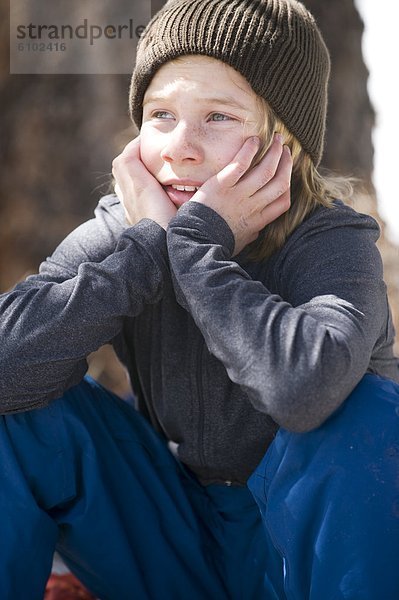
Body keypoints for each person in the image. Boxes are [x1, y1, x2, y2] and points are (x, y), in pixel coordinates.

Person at [1, 0, 399, 598]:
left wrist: (196, 251)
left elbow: (304, 389)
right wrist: (147, 251)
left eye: (218, 116)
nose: (180, 147)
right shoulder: (131, 232)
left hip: (297, 555)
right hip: (174, 537)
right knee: (24, 410)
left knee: (365, 408)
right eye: (161, 114)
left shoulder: (332, 240)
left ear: (282, 143)